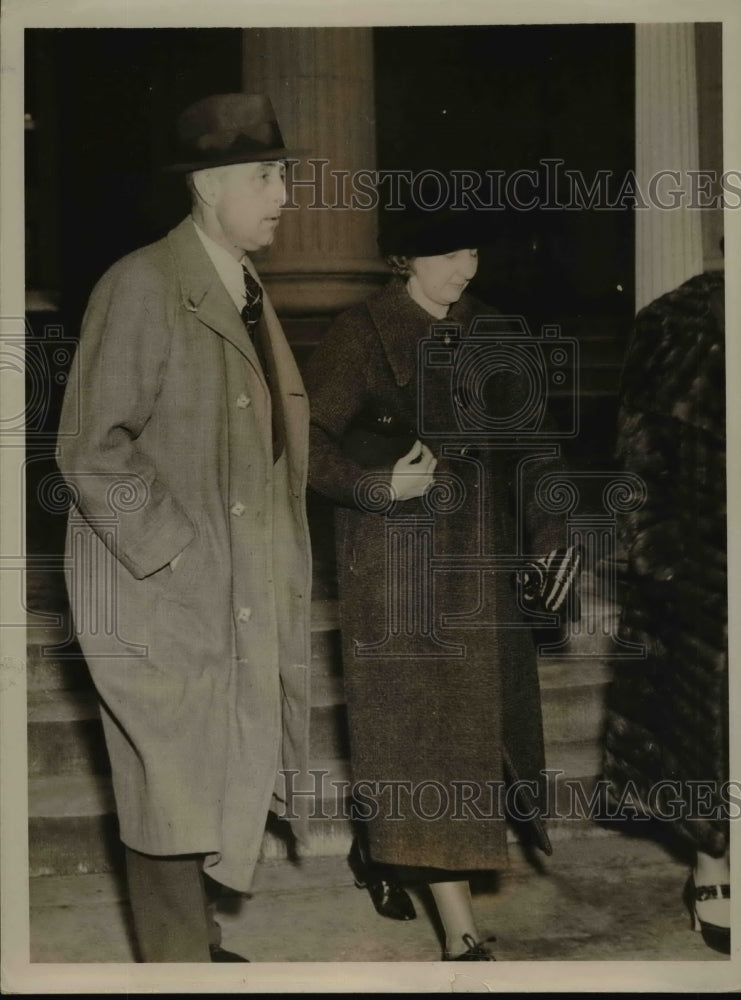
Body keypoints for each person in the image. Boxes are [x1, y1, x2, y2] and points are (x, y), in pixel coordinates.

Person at [56, 93, 312, 962]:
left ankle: (194, 949)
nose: (284, 193)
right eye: (265, 176)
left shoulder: (240, 284)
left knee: (204, 771)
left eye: (282, 173)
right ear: (208, 186)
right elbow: (90, 448)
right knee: (164, 786)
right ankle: (174, 967)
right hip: (162, 593)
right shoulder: (142, 284)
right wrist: (176, 554)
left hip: (226, 588)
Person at [304, 207, 580, 960]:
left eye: (472, 253)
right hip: (395, 572)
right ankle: (461, 934)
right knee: (426, 744)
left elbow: (533, 449)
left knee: (468, 738)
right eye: (449, 254)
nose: (465, 269)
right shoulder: (358, 335)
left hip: (479, 569)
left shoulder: (492, 331)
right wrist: (372, 484)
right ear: (404, 259)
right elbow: (303, 446)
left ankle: (383, 845)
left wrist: (554, 533)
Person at [602, 269, 729, 954]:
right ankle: (711, 863)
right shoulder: (674, 321)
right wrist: (661, 564)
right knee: (706, 727)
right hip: (704, 565)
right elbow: (637, 466)